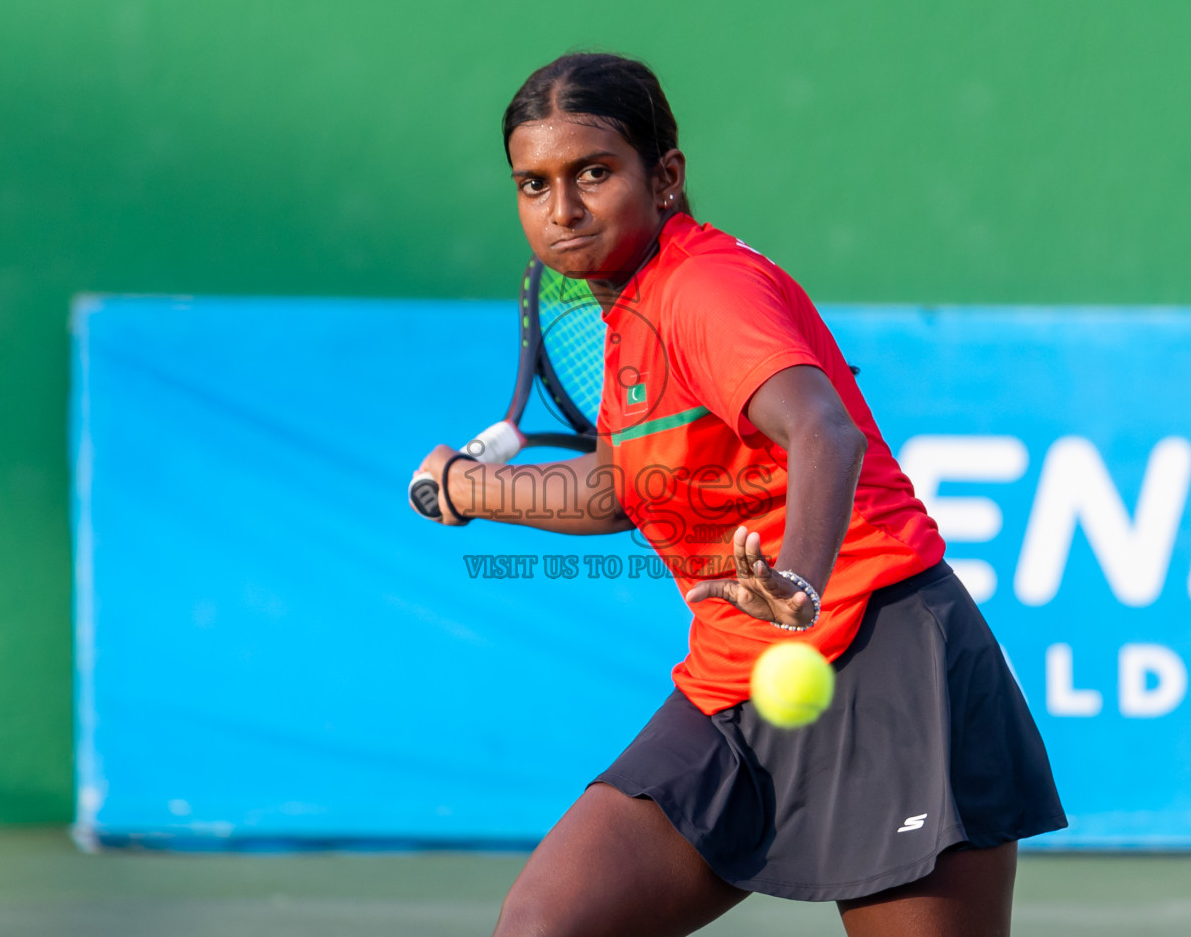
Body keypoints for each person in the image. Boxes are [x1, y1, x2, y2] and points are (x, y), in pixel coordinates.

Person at [413, 52, 1065, 937]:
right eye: (534, 185)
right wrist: (474, 488)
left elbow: (822, 432)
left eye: (593, 174)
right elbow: (615, 488)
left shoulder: (705, 289)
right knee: (547, 925)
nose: (562, 211)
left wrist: (795, 585)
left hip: (883, 657)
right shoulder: (627, 315)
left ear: (666, 176)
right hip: (736, 678)